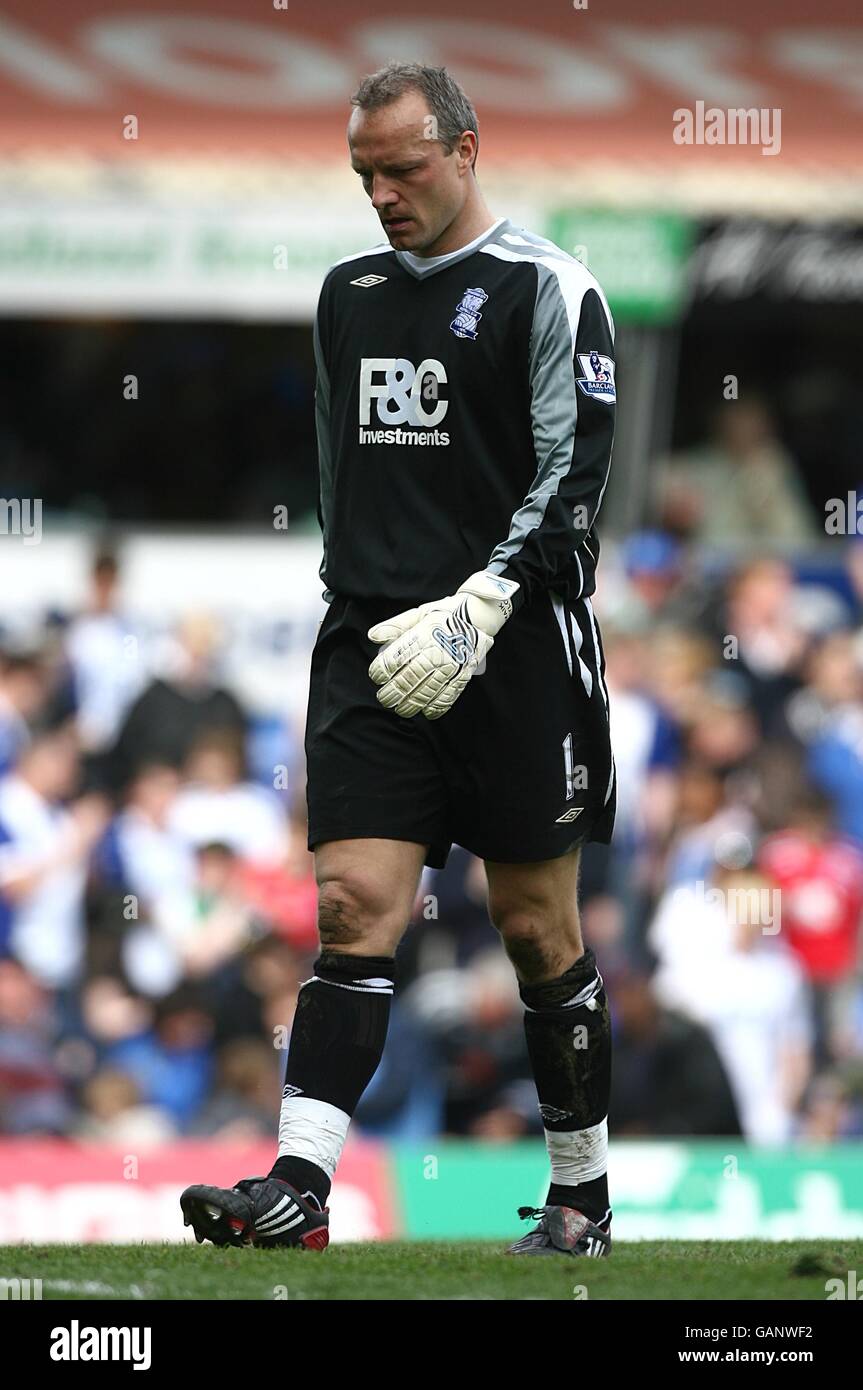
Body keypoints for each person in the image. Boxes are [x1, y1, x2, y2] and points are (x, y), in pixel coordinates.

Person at [182, 61, 617, 1259]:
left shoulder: (550, 287)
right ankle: (300, 1188)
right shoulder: (348, 295)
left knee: (532, 925)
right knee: (348, 905)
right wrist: (361, 586)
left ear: (466, 149)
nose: (380, 192)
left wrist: (482, 599)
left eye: (403, 167)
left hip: (515, 644)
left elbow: (573, 478)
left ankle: (579, 1195)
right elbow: (337, 469)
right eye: (363, 173)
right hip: (374, 645)